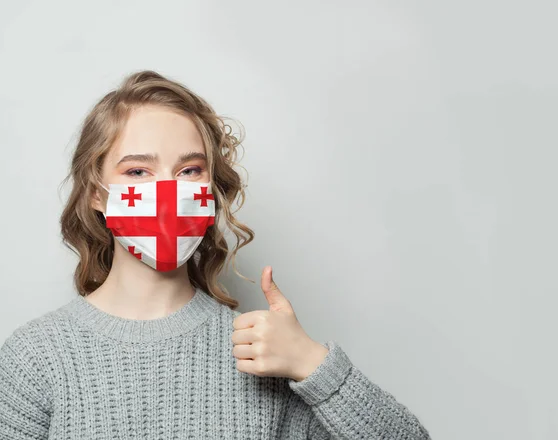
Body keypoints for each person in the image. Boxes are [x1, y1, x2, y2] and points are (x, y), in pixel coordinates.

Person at [0, 70, 431, 439]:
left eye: (189, 170)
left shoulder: (260, 351)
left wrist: (311, 364)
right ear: (97, 193)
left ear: (209, 191)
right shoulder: (36, 356)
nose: (169, 191)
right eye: (137, 171)